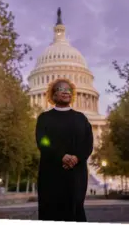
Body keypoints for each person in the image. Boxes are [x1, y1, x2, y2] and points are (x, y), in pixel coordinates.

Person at [36, 78, 94, 222]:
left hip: (76, 174)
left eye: (68, 90)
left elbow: (88, 143)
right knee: (51, 212)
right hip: (51, 174)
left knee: (75, 211)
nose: (66, 92)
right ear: (53, 95)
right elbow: (43, 141)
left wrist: (77, 158)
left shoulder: (81, 119)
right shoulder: (44, 118)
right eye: (61, 89)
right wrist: (61, 156)